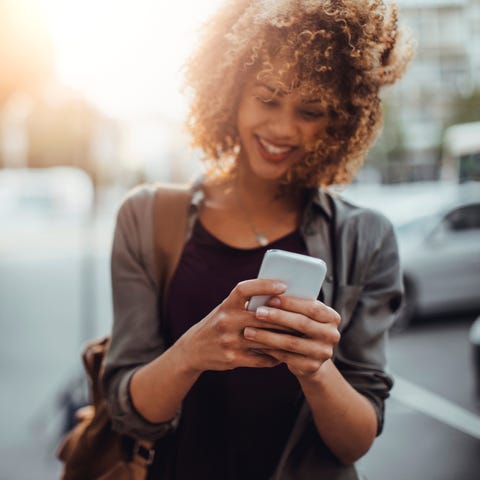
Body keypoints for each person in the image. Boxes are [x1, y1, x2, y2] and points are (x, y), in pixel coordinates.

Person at [102, 1, 413, 478]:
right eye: (268, 98)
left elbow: (354, 443)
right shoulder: (145, 217)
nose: (284, 129)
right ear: (231, 92)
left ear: (340, 121)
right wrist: (193, 352)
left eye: (310, 111)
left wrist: (316, 369)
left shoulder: (366, 237)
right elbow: (127, 409)